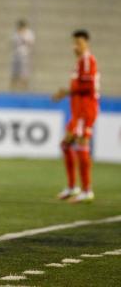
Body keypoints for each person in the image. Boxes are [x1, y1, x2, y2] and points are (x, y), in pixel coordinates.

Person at [52, 30, 99, 203]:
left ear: (86, 43)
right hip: (78, 111)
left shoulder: (87, 60)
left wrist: (66, 91)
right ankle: (73, 187)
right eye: (74, 43)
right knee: (66, 145)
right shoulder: (80, 62)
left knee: (81, 145)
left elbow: (89, 86)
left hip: (86, 110)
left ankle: (87, 190)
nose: (75, 47)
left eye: (79, 43)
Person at [10, 19, 35, 91]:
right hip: (16, 56)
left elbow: (31, 43)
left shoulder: (29, 33)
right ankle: (13, 90)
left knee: (24, 75)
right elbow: (13, 43)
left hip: (25, 57)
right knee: (14, 74)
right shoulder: (15, 33)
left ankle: (25, 90)